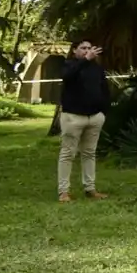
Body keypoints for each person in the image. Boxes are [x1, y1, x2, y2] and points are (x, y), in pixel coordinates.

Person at [57, 38, 109, 203]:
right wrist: (85, 60)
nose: (87, 51)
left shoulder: (97, 69)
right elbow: (67, 76)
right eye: (83, 48)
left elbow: (104, 89)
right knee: (67, 154)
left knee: (89, 153)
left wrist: (103, 111)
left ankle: (90, 188)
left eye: (89, 48)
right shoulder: (70, 65)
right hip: (73, 117)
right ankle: (63, 191)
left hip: (94, 117)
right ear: (75, 50)